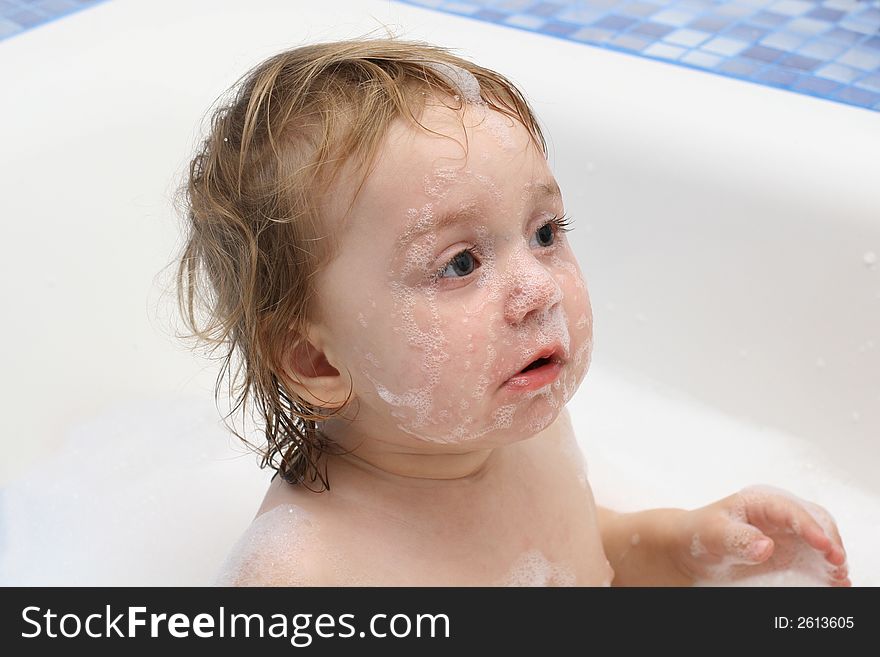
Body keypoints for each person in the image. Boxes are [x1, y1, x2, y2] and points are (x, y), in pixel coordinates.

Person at [177, 38, 849, 586]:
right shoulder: (305, 576)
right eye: (460, 263)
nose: (539, 289)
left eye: (546, 232)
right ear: (317, 360)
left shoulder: (528, 434)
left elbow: (585, 560)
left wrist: (686, 547)